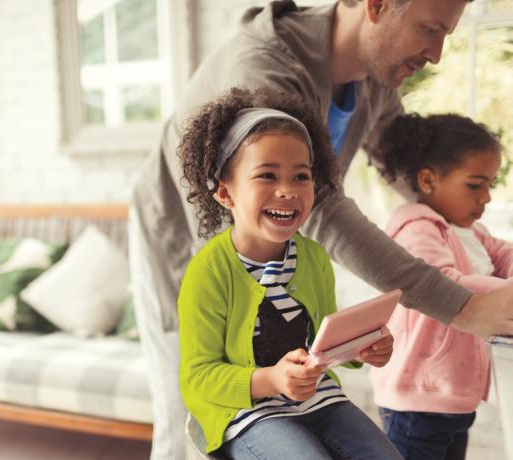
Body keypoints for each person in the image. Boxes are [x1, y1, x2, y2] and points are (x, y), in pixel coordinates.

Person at [127, 1, 513, 458]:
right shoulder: (262, 66)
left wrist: (474, 241)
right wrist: (460, 305)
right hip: (184, 242)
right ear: (377, 6)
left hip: (276, 267)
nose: (436, 55)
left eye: (446, 35)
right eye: (429, 29)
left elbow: (413, 177)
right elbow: (322, 208)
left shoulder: (374, 80)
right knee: (185, 418)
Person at [178, 87, 401, 459]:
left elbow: (321, 344)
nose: (287, 191)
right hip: (247, 413)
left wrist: (361, 349)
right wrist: (270, 379)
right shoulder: (208, 272)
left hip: (317, 400)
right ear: (225, 193)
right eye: (267, 175)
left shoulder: (312, 257)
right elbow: (197, 378)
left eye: (301, 176)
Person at [369, 113, 513, 460]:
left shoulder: (470, 232)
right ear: (429, 180)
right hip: (418, 398)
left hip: (455, 393)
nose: (487, 198)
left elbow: (503, 255)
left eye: (491, 184)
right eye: (475, 185)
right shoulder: (416, 226)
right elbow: (443, 281)